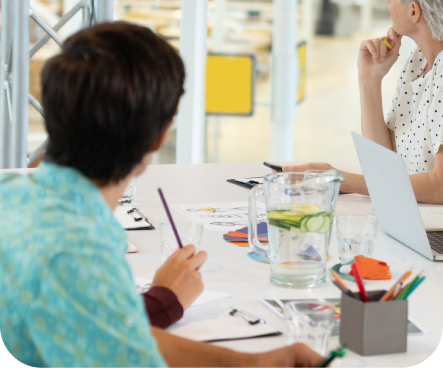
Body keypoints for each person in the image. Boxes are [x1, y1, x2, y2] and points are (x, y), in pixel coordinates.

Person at [0, 22, 321, 368]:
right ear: (160, 136)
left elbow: (109, 334)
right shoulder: (77, 253)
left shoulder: (15, 198)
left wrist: (249, 364)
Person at [284, 0, 443, 205]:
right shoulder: (418, 61)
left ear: (414, 11)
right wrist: (369, 80)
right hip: (412, 220)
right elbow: (384, 165)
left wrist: (339, 180)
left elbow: (439, 187)